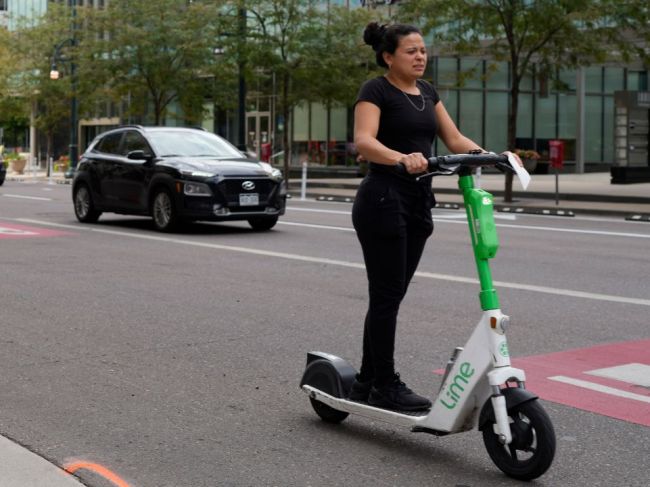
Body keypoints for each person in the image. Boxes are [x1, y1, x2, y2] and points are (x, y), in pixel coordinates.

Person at [349, 22, 520, 412]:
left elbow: (454, 139)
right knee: (387, 295)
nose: (420, 56)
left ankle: (366, 380)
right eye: (411, 51)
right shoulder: (375, 89)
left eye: (423, 50)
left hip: (417, 201)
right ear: (388, 56)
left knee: (388, 297)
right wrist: (401, 157)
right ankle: (384, 384)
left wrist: (491, 155)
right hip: (382, 200)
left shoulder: (427, 92)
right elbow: (364, 140)